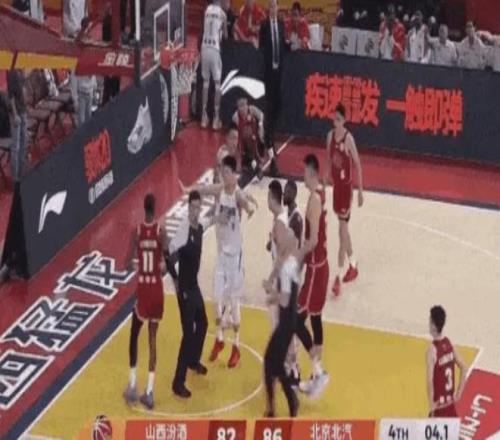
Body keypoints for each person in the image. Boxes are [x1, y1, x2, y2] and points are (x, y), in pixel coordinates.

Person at [180, 155, 257, 369]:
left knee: (233, 304)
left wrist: (249, 208)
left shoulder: (237, 193)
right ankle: (220, 339)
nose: (223, 175)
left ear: (234, 174)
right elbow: (203, 190)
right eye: (222, 172)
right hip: (222, 255)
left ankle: (236, 346)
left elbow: (243, 199)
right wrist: (188, 190)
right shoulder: (220, 190)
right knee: (216, 299)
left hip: (235, 258)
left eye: (226, 172)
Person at [123, 194, 168, 410]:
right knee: (152, 341)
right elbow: (166, 264)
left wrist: (137, 265)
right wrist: (159, 265)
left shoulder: (137, 231)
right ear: (155, 208)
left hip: (143, 290)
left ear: (143, 208)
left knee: (134, 336)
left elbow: (126, 263)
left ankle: (132, 385)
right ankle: (149, 391)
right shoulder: (161, 231)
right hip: (157, 290)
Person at [294, 154, 329, 397]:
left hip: (316, 268)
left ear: (312, 174)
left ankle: (319, 372)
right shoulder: (321, 192)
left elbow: (313, 240)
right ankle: (317, 374)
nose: (302, 176)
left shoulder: (313, 201)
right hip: (321, 265)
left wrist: (298, 256)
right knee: (315, 318)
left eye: (305, 172)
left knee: (297, 320)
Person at [168, 191, 209, 398]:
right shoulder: (183, 230)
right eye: (192, 207)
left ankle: (193, 360)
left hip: (194, 286)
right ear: (188, 207)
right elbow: (168, 253)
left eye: (198, 207)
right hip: (184, 289)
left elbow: (210, 220)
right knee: (188, 334)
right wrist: (175, 279)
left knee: (203, 323)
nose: (195, 211)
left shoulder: (199, 227)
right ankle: (178, 382)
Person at [262, 226, 302, 418]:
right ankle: (287, 403)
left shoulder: (286, 268)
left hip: (285, 323)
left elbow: (284, 300)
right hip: (290, 320)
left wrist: (272, 296)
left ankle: (276, 407)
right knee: (275, 364)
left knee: (270, 362)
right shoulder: (292, 263)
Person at [326, 103, 364, 297]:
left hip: (346, 189)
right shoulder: (330, 136)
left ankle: (338, 277)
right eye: (335, 119)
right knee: (344, 230)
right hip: (336, 189)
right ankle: (353, 265)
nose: (336, 122)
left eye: (339, 119)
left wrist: (360, 190)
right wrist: (325, 179)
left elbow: (357, 164)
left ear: (344, 121)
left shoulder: (349, 139)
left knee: (341, 232)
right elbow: (328, 160)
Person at [426, 305, 469, 417]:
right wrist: (459, 392)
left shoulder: (432, 350)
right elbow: (464, 367)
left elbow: (430, 382)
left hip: (439, 408)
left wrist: (431, 406)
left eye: (429, 321)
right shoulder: (449, 344)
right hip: (451, 406)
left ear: (433, 325)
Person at [259, 0, 286, 176]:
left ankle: (269, 137)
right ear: (268, 9)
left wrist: (291, 45)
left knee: (277, 107)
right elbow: (261, 46)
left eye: (275, 6)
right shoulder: (264, 26)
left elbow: (282, 44)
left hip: (279, 73)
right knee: (268, 109)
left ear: (278, 8)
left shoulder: (281, 25)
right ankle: (268, 142)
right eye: (270, 6)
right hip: (268, 74)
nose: (273, 9)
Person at [200, 0, 227, 130]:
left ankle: (204, 117)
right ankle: (216, 118)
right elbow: (225, 36)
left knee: (205, 83)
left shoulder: (207, 10)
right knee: (217, 85)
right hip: (215, 49)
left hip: (204, 47)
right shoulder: (222, 14)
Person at [232, 98, 265, 178]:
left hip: (255, 135)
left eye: (244, 106)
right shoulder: (235, 117)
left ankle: (259, 166)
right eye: (241, 106)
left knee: (256, 150)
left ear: (247, 105)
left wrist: (260, 125)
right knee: (246, 157)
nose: (243, 108)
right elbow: (236, 132)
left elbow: (261, 115)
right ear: (238, 108)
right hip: (244, 139)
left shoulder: (252, 109)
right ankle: (251, 166)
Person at [7, 69, 28, 183]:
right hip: (16, 114)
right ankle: (15, 179)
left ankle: (22, 172)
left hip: (23, 110)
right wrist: (15, 115)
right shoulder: (11, 71)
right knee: (16, 146)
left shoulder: (20, 70)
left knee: (24, 142)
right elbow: (10, 96)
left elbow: (23, 89)